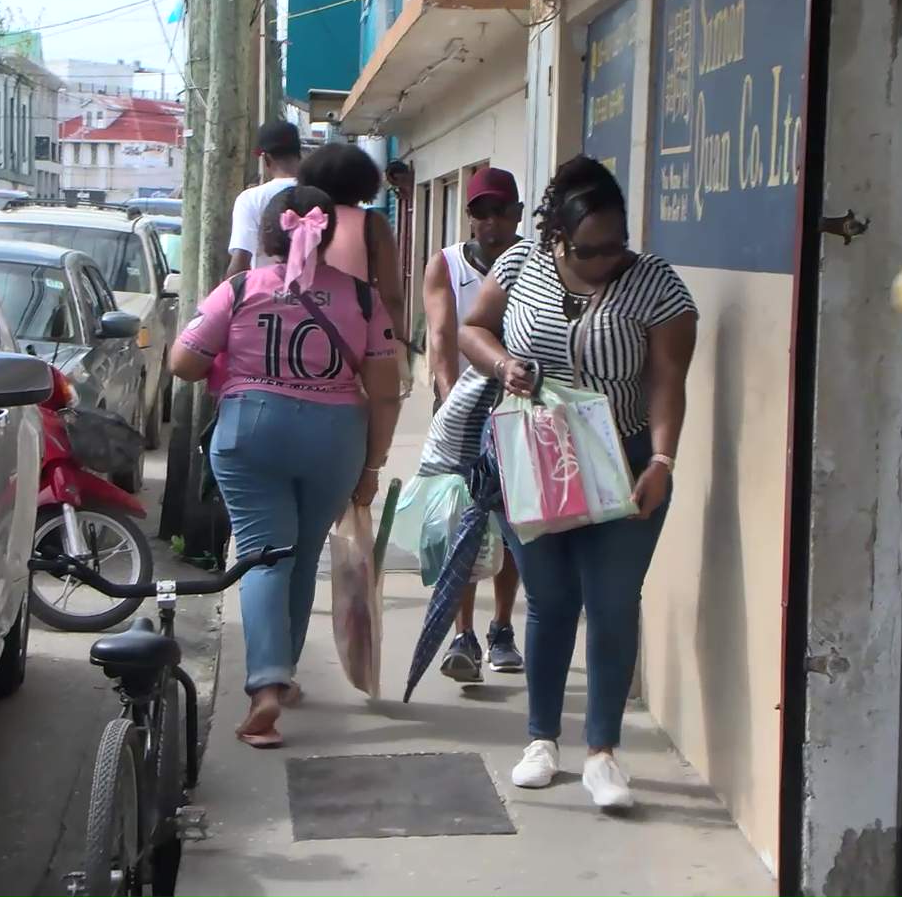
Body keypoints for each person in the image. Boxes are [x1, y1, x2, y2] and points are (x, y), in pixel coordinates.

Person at [457, 155, 698, 809]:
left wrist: (663, 461)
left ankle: (603, 753)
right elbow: (472, 328)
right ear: (557, 238)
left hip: (623, 460)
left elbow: (667, 381)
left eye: (617, 244)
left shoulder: (657, 286)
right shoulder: (519, 266)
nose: (607, 259)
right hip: (535, 455)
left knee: (613, 601)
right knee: (550, 597)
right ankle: (542, 740)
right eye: (591, 249)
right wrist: (504, 362)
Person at [169, 181, 403, 750]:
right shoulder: (364, 299)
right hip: (334, 438)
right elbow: (386, 390)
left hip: (251, 432)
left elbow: (183, 362)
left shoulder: (240, 288)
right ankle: (283, 675)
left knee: (263, 556)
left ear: (268, 236)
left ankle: (266, 686)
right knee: (299, 557)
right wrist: (371, 467)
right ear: (326, 235)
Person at [423, 166, 526, 683]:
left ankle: (502, 629)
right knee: (459, 527)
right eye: (479, 212)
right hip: (461, 415)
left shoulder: (530, 263)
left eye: (499, 211)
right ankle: (461, 634)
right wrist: (448, 401)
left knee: (510, 526)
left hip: (516, 411)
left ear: (517, 214)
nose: (489, 221)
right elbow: (442, 336)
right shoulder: (446, 264)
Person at [296, 143, 408, 348]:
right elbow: (390, 296)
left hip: (301, 328)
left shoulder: (300, 221)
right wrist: (397, 340)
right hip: (355, 333)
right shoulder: (373, 224)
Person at [224, 120, 304, 277]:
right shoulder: (321, 195)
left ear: (266, 159)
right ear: (299, 155)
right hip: (320, 297)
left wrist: (224, 297)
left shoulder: (250, 199)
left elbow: (240, 262)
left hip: (265, 296)